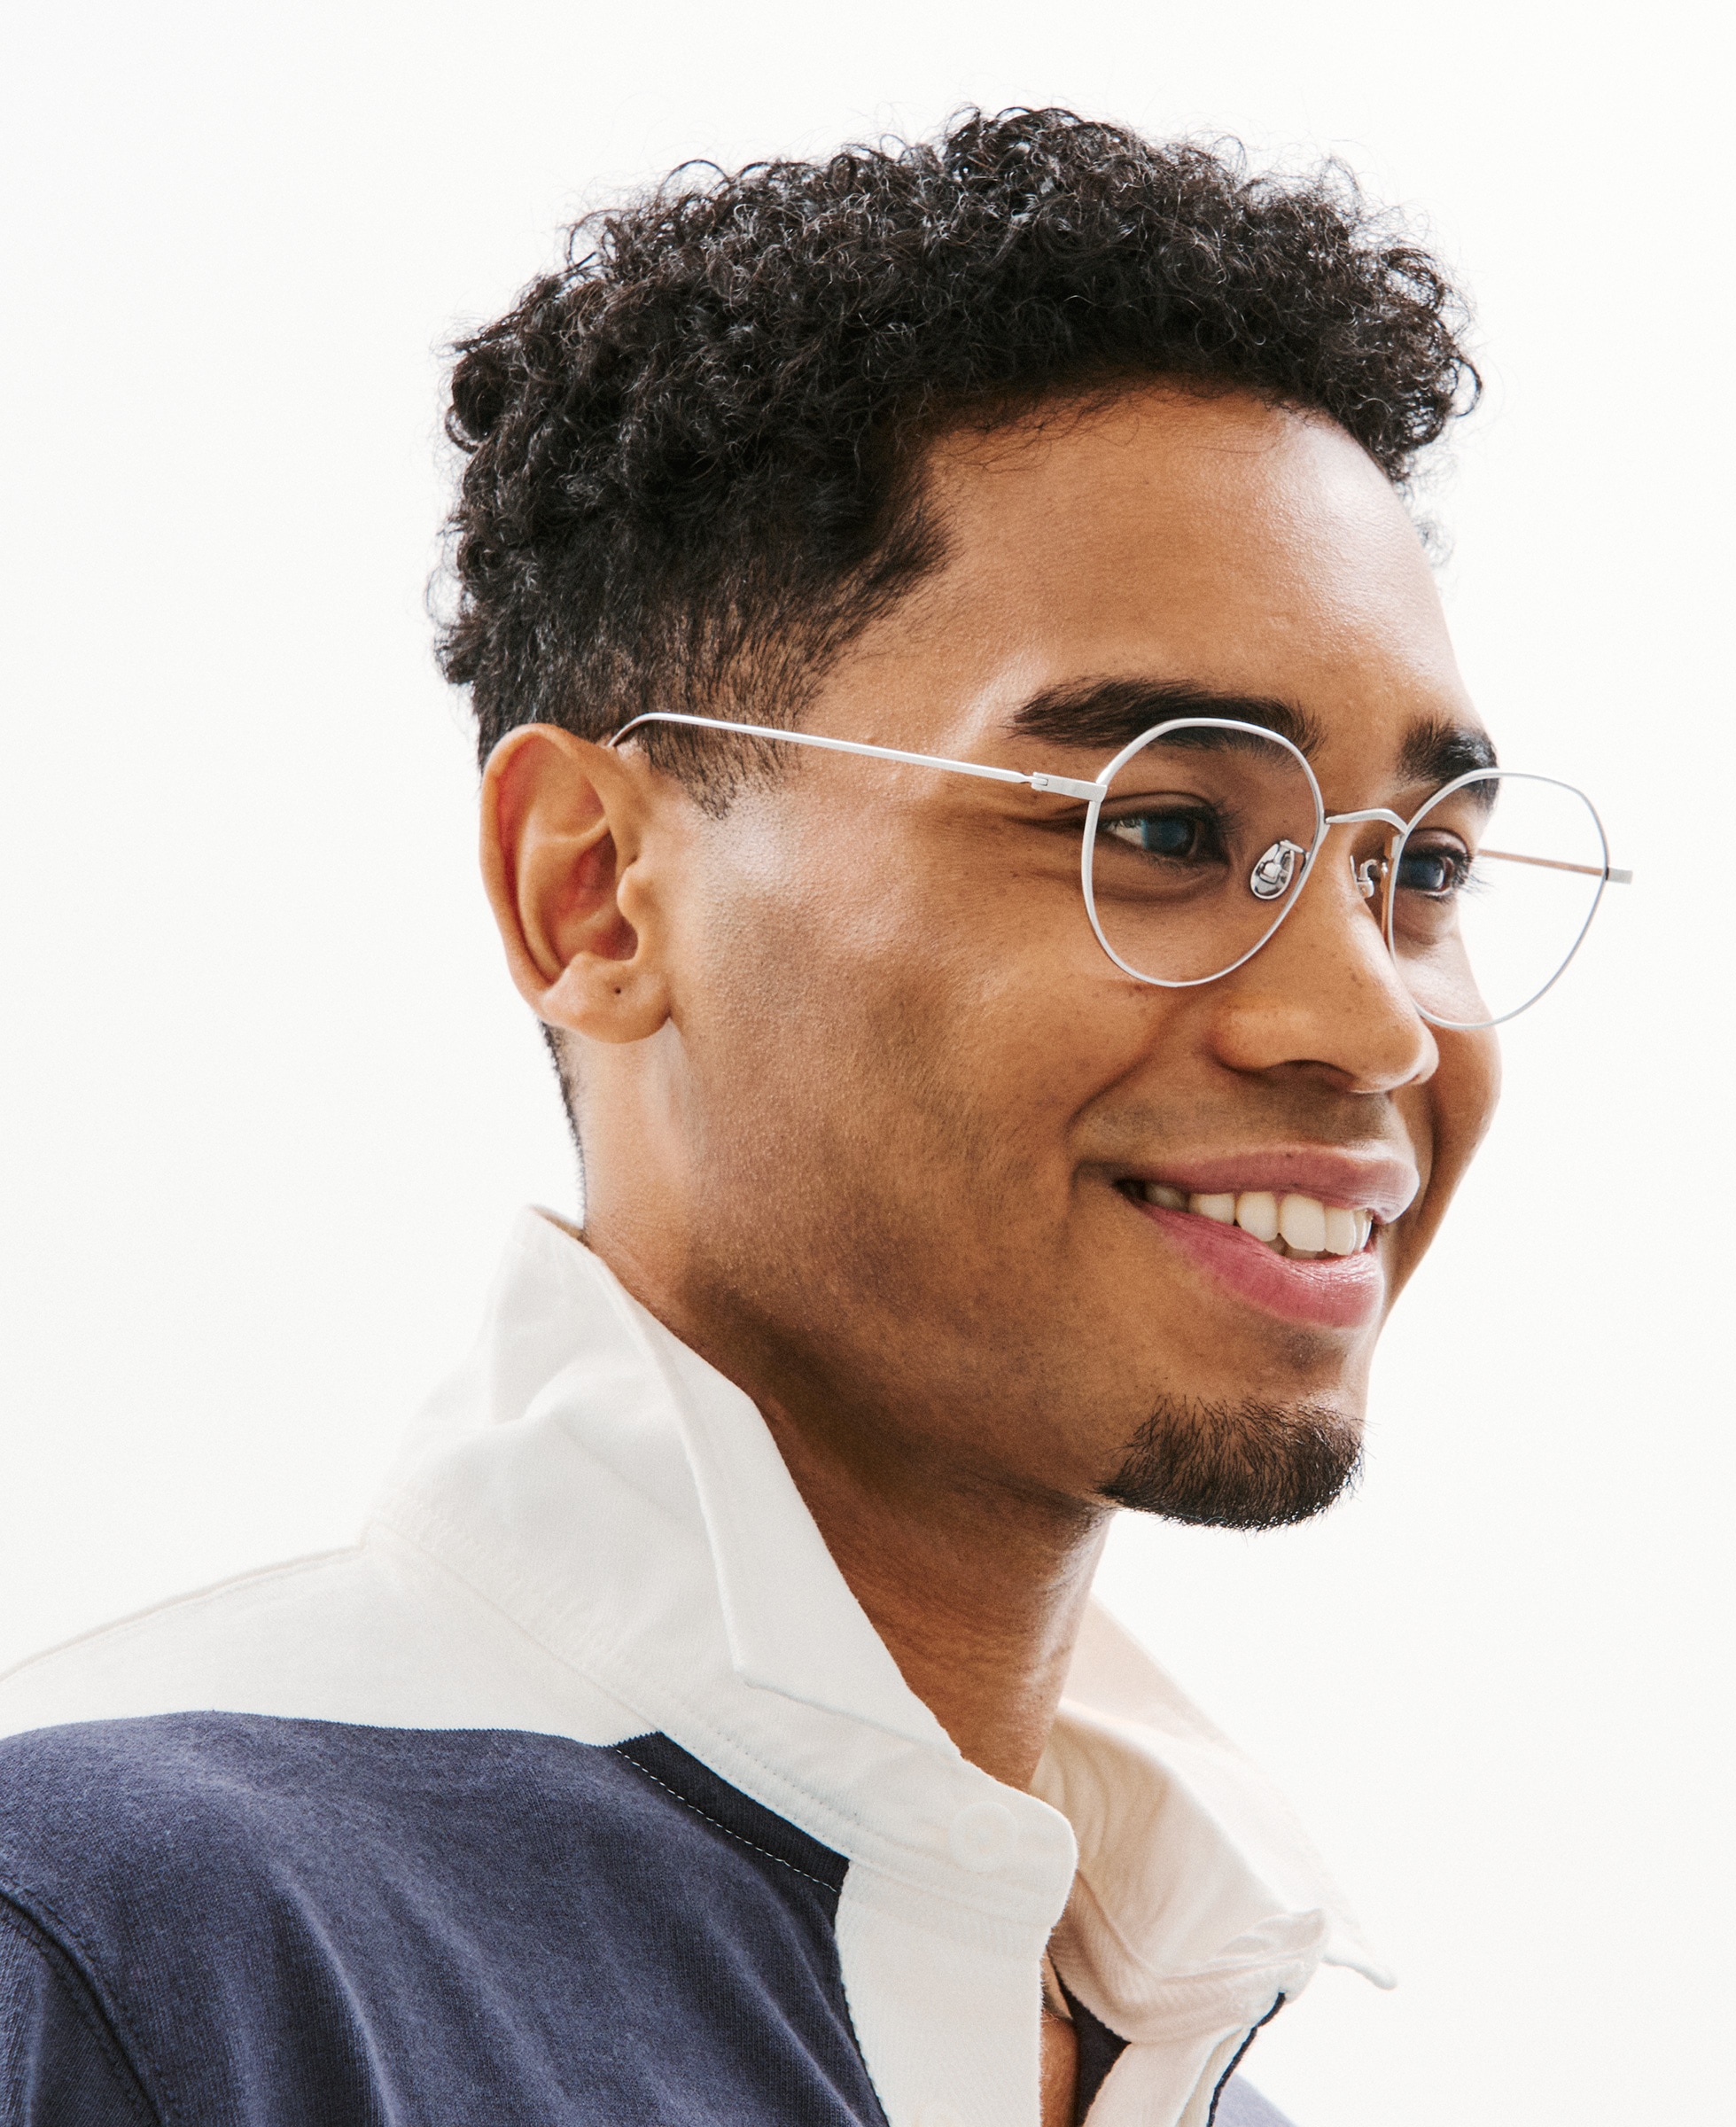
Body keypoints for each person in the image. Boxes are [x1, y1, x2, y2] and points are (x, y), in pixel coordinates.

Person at [0, 108, 1627, 2127]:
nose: (1369, 1024)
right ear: (595, 893)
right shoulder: (120, 1964)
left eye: (1425, 867)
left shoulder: (1189, 2051)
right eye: (1164, 830)